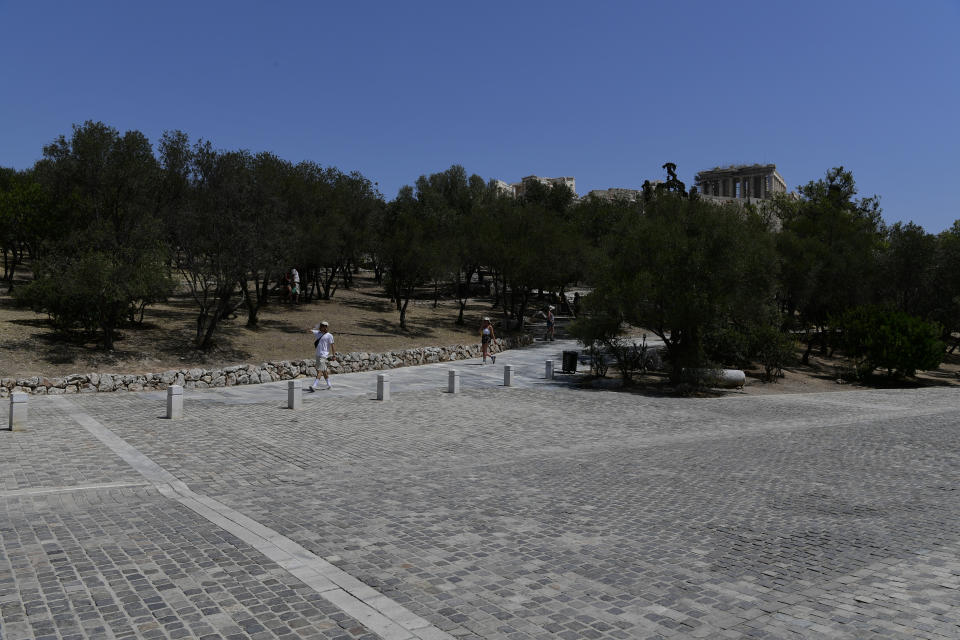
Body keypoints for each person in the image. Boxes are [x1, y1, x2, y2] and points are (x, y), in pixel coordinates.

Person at [307, 321, 336, 391]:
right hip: (317, 354)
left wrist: (334, 355)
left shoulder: (329, 335)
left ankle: (314, 386)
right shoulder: (318, 333)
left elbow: (332, 346)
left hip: (323, 355)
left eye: (324, 326)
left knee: (320, 371)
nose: (323, 327)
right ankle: (329, 385)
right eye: (322, 325)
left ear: (326, 327)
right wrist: (316, 327)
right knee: (323, 371)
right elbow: (308, 330)